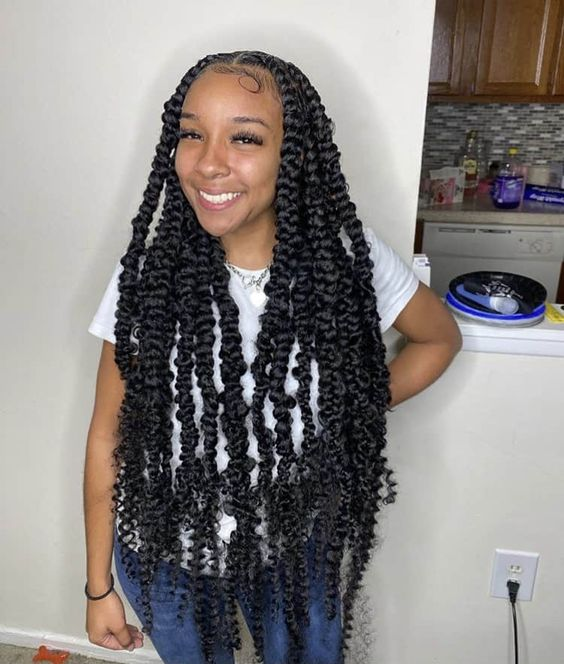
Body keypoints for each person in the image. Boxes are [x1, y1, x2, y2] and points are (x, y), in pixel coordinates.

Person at [83, 50, 461, 664]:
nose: (209, 162)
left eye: (246, 138)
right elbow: (107, 438)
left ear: (295, 153)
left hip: (293, 544)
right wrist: (98, 586)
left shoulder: (343, 260)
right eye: (191, 133)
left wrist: (347, 406)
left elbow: (438, 338)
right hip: (165, 552)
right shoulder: (150, 279)